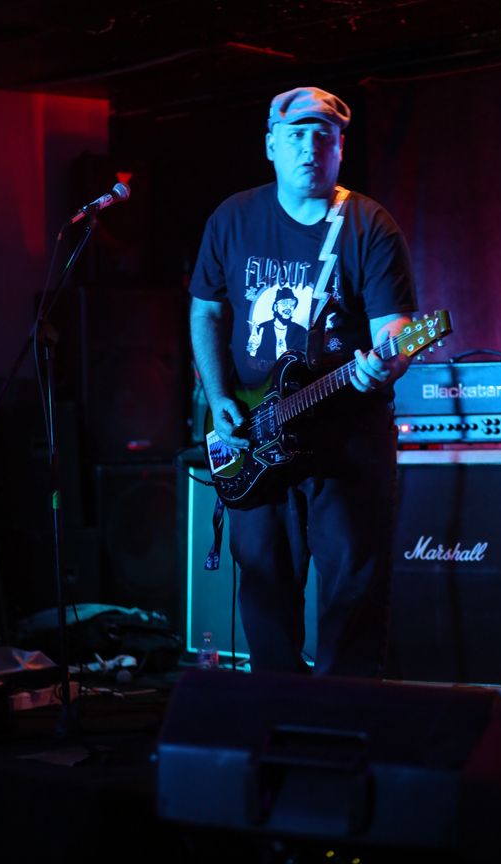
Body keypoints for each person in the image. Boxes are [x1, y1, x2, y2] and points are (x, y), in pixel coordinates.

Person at [189, 86, 417, 677]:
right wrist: (219, 397)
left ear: (341, 148)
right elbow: (206, 311)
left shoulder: (369, 224)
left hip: (346, 440)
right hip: (257, 433)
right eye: (295, 136)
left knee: (352, 591)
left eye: (324, 137)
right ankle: (276, 711)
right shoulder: (233, 218)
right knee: (264, 586)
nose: (310, 148)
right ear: (271, 145)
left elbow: (396, 331)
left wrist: (384, 364)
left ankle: (343, 717)